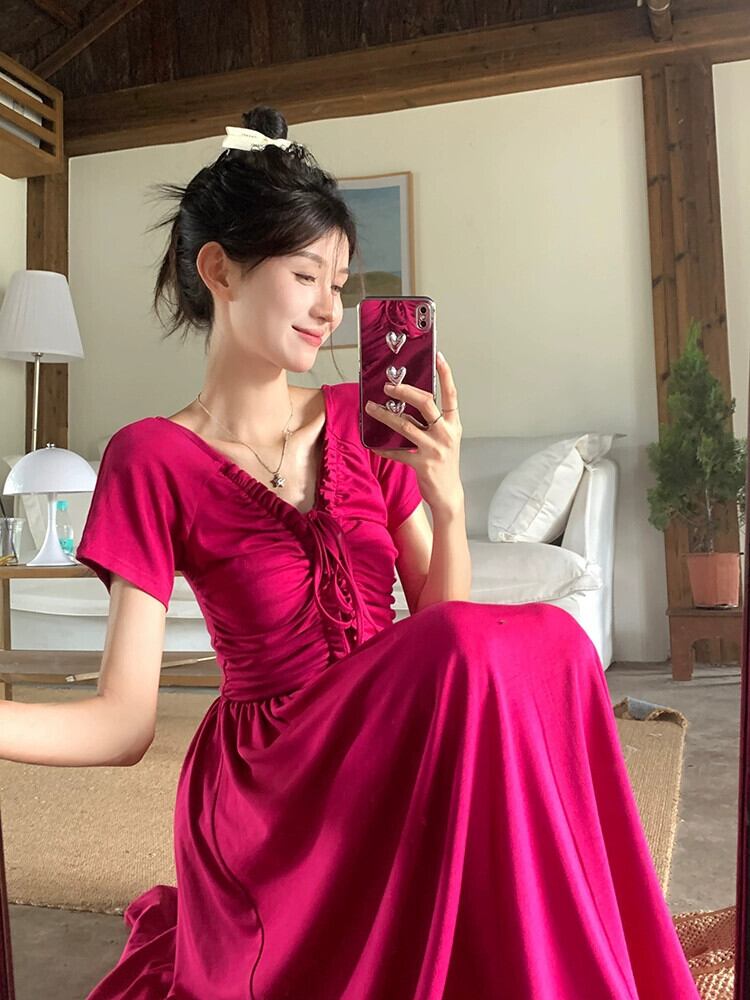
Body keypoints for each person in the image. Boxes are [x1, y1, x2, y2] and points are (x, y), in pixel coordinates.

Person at [0, 105, 700, 1000]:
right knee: (480, 644)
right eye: (305, 276)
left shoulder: (359, 422)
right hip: (274, 780)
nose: (332, 308)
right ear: (219, 270)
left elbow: (445, 634)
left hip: (389, 740)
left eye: (339, 281)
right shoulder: (151, 455)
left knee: (555, 643)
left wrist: (447, 500)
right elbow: (124, 723)